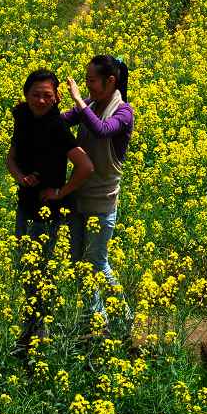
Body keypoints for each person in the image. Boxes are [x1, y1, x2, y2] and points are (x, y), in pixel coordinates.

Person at [6, 69, 93, 352]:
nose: (41, 100)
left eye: (47, 95)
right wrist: (20, 177)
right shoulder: (21, 117)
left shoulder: (57, 127)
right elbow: (11, 158)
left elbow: (85, 167)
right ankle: (32, 330)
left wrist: (60, 193)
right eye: (35, 94)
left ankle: (38, 333)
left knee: (40, 270)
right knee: (26, 268)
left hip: (49, 211)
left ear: (56, 97)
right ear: (26, 95)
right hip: (25, 204)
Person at [62, 55, 134, 329]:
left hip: (102, 203)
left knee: (97, 263)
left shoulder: (123, 112)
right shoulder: (90, 105)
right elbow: (60, 123)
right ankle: (96, 321)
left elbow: (103, 130)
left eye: (91, 81)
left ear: (110, 81)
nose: (88, 86)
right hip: (77, 197)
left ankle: (125, 321)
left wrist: (79, 101)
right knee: (79, 266)